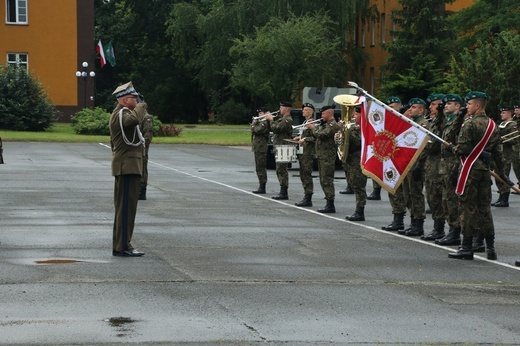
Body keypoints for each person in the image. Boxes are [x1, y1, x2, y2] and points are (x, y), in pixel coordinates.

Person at [447, 91, 511, 260]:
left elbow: (462, 149)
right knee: (485, 209)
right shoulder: (493, 125)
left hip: (470, 171)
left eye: (468, 104)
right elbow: (498, 153)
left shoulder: (469, 124)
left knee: (468, 209)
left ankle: (466, 247)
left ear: (477, 105)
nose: (466, 107)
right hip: (484, 172)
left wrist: (452, 148)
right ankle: (490, 247)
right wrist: (502, 173)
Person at [109, 81, 147, 257]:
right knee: (125, 210)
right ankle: (123, 246)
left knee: (127, 209)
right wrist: (142, 106)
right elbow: (132, 120)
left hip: (128, 166)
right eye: (134, 98)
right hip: (126, 167)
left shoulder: (123, 113)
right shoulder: (121, 114)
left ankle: (122, 243)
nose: (137, 100)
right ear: (124, 100)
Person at [398, 98, 428, 237]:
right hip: (406, 164)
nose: (410, 109)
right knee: (407, 194)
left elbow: (423, 147)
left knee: (416, 194)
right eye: (410, 107)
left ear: (421, 110)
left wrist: (419, 166)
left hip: (416, 164)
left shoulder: (424, 124)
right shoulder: (410, 123)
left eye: (414, 107)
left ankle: (418, 223)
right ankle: (412, 222)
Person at [421, 94, 446, 240]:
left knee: (438, 198)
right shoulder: (434, 121)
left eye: (434, 104)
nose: (430, 107)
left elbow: (434, 144)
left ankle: (441, 229)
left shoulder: (443, 122)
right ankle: (437, 228)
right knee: (431, 197)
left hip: (439, 165)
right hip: (430, 165)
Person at [308, 105, 341, 213]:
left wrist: (313, 128)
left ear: (329, 114)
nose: (321, 116)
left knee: (327, 180)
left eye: (323, 114)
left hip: (328, 156)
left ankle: (330, 204)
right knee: (323, 180)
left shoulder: (332, 125)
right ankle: (328, 201)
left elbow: (322, 135)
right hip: (322, 155)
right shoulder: (325, 124)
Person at [381, 97, 407, 231]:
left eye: (393, 106)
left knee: (407, 193)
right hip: (391, 160)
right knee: (393, 189)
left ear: (400, 106)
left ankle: (412, 222)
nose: (391, 109)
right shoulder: (389, 121)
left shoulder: (405, 121)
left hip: (403, 160)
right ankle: (398, 219)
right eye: (389, 106)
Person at [491, 105, 519, 207]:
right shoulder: (502, 124)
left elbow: (515, 139)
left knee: (504, 176)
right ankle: (501, 196)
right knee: (498, 176)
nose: (501, 114)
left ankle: (504, 199)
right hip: (500, 154)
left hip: (507, 154)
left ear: (509, 113)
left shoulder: (512, 125)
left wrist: (501, 140)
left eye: (504, 112)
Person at [344, 106, 368, 221]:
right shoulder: (355, 127)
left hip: (359, 161)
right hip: (352, 161)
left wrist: (347, 133)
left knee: (359, 187)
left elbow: (359, 142)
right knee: (355, 185)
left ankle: (360, 211)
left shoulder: (365, 129)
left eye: (356, 114)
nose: (354, 116)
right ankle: (358, 210)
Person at [267, 101, 293, 200]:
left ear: (286, 109)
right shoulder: (282, 119)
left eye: (281, 108)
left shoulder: (287, 120)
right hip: (280, 147)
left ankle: (284, 192)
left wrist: (271, 119)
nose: (280, 109)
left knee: (282, 170)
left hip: (284, 147)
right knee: (279, 170)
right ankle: (282, 190)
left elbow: (276, 128)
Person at [294, 103, 316, 207]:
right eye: (303, 109)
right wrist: (299, 138)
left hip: (308, 152)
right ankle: (306, 195)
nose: (303, 111)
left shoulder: (312, 123)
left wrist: (305, 139)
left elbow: (316, 138)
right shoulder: (305, 122)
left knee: (306, 174)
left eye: (306, 110)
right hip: (303, 152)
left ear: (311, 112)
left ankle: (308, 197)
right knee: (303, 174)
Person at [251, 107, 271, 194]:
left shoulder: (264, 123)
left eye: (261, 113)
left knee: (261, 167)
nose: (259, 115)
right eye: (259, 114)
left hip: (261, 147)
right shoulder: (261, 122)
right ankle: (261, 184)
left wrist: (254, 123)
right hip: (258, 147)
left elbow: (256, 130)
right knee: (258, 167)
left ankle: (262, 186)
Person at [138, 105, 154, 200]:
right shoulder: (138, 116)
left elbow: (148, 134)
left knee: (143, 168)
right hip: (137, 147)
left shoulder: (146, 118)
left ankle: (141, 191)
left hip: (142, 147)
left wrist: (143, 146)